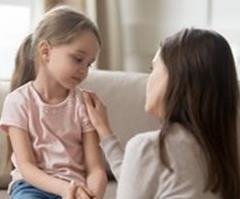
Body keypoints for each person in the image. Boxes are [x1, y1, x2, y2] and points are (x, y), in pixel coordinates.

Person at [83, 28, 240, 199]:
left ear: (176, 78)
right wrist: (105, 132)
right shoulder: (221, 154)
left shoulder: (149, 147)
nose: (148, 79)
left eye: (153, 68)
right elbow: (139, 180)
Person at [0, 6, 107, 199]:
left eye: (89, 64)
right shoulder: (18, 102)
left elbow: (96, 168)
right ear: (45, 51)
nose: (84, 70)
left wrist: (94, 194)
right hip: (30, 187)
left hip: (76, 190)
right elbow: (26, 167)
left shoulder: (83, 104)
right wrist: (64, 189)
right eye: (78, 59)